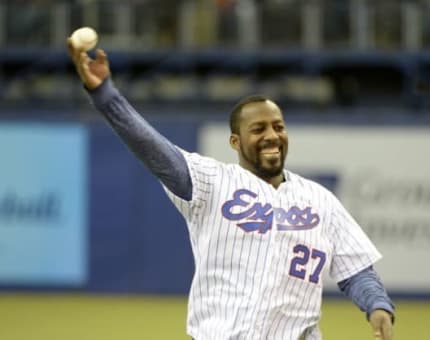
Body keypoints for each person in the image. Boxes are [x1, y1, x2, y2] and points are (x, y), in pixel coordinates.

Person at [67, 38, 395, 340]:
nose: (272, 135)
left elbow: (356, 271)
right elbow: (151, 147)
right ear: (235, 142)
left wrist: (378, 306)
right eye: (259, 128)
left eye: (278, 126)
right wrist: (106, 96)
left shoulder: (320, 199)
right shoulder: (211, 182)